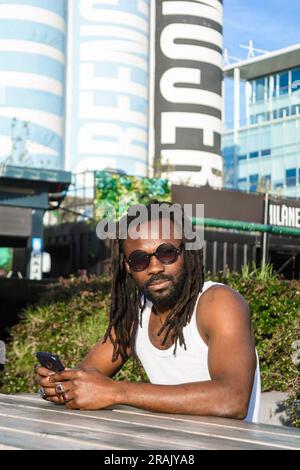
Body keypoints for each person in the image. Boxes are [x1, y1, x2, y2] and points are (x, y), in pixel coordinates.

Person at [35, 202, 261, 422]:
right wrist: (61, 383)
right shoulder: (137, 313)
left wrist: (117, 392)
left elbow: (233, 399)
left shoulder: (219, 302)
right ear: (127, 267)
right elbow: (90, 374)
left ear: (187, 252)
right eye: (139, 259)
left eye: (166, 253)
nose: (154, 268)